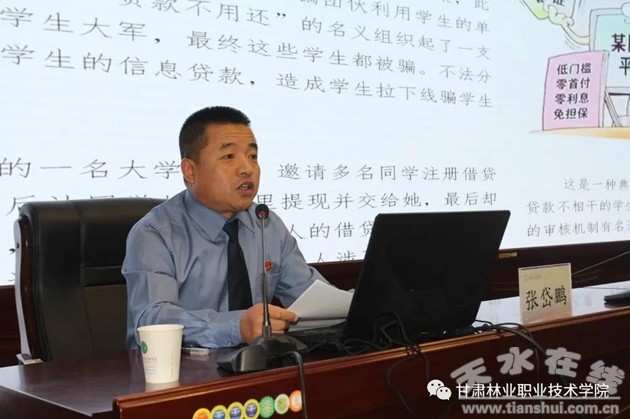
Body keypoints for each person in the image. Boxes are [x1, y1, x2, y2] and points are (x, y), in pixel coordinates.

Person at [123, 106, 327, 349]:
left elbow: (313, 298)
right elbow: (154, 320)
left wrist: (356, 305)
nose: (247, 169)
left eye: (253, 156)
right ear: (190, 170)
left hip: (259, 365)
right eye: (229, 157)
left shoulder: (266, 224)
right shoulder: (154, 234)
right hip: (182, 368)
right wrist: (236, 327)